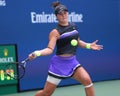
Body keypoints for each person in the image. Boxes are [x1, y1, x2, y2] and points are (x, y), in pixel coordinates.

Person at [29, 1, 103, 96]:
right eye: (60, 14)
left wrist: (89, 45)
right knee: (46, 93)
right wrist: (37, 53)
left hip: (72, 63)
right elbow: (50, 49)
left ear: (68, 13)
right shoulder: (55, 32)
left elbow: (78, 42)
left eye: (65, 13)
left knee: (87, 81)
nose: (64, 15)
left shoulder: (73, 26)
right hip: (59, 65)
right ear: (56, 17)